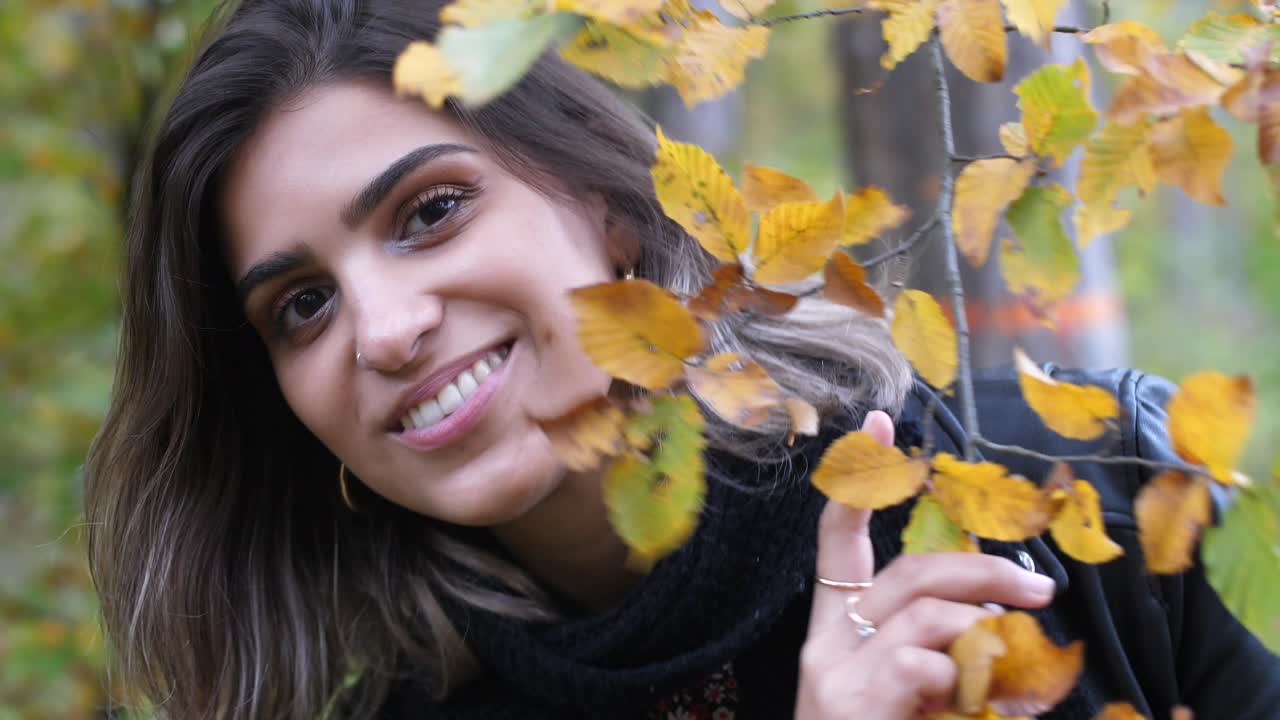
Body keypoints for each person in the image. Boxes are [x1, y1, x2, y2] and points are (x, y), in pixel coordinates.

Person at [82, 0, 1280, 718]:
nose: (384, 331)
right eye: (300, 306)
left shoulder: (1093, 494)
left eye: (430, 212)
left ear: (606, 204)